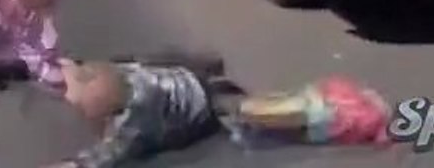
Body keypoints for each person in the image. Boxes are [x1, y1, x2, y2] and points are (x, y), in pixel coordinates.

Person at [44, 60, 390, 167]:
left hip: (208, 113)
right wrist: (69, 70)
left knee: (273, 122)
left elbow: (106, 157)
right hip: (199, 84)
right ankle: (341, 108)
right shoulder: (130, 75)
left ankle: (350, 118)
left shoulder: (135, 120)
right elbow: (96, 73)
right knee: (269, 110)